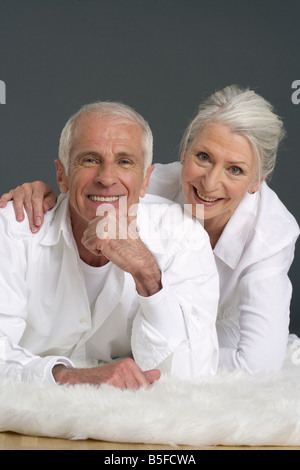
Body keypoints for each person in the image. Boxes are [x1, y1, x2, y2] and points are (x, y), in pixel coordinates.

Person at [4, 85, 299, 375]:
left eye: (235, 169)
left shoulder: (270, 236)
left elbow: (253, 368)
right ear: (185, 152)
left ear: (257, 181)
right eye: (203, 157)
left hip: (220, 347)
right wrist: (40, 194)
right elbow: (85, 185)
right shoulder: (145, 183)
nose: (209, 183)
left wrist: (175, 345)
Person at [0, 101, 219, 389]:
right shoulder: (14, 229)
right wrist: (67, 377)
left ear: (145, 180)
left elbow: (193, 375)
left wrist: (148, 276)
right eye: (89, 160)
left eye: (125, 161)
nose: (106, 178)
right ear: (62, 175)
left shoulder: (182, 235)